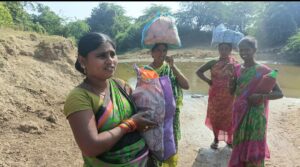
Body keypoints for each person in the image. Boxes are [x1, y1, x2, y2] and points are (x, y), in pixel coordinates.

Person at [63, 32, 157, 167]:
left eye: (112, 54)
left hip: (144, 161)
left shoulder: (121, 85)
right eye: (102, 56)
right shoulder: (79, 97)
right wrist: (131, 124)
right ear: (83, 61)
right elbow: (91, 147)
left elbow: (144, 115)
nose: (110, 60)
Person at [228, 36, 283, 167]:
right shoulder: (236, 68)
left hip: (255, 115)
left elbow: (279, 93)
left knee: (254, 145)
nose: (243, 53)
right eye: (241, 50)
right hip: (238, 112)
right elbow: (232, 92)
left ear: (254, 50)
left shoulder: (264, 70)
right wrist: (230, 80)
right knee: (238, 142)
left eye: (247, 50)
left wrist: (261, 96)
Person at [143, 43, 190, 167]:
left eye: (164, 50)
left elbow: (186, 85)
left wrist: (173, 67)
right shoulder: (146, 71)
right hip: (154, 116)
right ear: (152, 53)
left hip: (171, 116)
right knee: (155, 143)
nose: (162, 53)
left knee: (170, 141)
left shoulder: (170, 68)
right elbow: (142, 96)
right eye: (158, 50)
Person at [196, 42, 239, 149]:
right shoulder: (213, 62)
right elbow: (199, 71)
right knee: (215, 117)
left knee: (229, 118)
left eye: (226, 49)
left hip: (229, 95)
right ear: (218, 50)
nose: (224, 51)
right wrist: (208, 81)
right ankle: (216, 139)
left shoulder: (235, 63)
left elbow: (239, 78)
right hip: (215, 95)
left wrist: (233, 69)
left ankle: (229, 140)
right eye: (221, 49)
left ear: (230, 50)